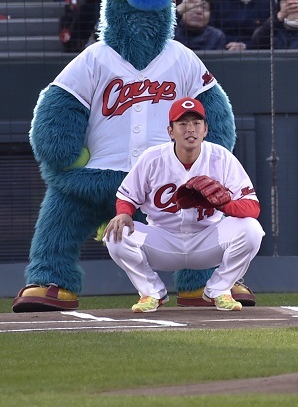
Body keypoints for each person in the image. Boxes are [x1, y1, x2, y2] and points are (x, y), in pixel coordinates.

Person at [103, 97, 263, 312]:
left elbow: (252, 208)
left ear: (205, 129)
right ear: (171, 131)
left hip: (209, 238)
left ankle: (220, 289)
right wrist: (124, 213)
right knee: (116, 234)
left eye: (196, 123)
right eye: (183, 124)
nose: (191, 129)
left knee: (251, 230)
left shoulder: (221, 157)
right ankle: (151, 293)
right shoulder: (153, 158)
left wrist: (225, 205)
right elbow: (127, 197)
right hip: (162, 240)